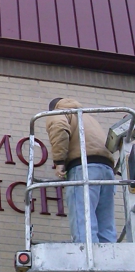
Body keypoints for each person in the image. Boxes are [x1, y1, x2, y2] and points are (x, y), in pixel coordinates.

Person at [46, 97, 116, 243]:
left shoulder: (59, 112)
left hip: (84, 166)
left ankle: (86, 255)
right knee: (105, 221)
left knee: (82, 216)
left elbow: (59, 127)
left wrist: (59, 162)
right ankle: (109, 257)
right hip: (106, 168)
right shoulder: (87, 116)